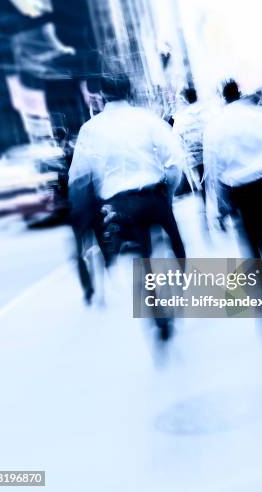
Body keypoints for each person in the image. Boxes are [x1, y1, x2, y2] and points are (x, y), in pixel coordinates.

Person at [68, 73, 186, 341]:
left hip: (119, 204)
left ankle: (157, 314)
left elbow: (78, 175)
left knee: (142, 256)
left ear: (103, 95)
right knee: (177, 245)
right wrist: (168, 190)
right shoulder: (146, 120)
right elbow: (174, 159)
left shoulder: (91, 129)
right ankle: (180, 282)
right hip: (154, 195)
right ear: (130, 90)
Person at [204, 79, 262, 311]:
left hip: (239, 192)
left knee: (249, 244)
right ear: (239, 93)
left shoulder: (215, 125)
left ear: (223, 97)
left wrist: (217, 203)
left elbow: (212, 167)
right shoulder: (260, 116)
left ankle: (259, 297)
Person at [173, 86, 207, 204]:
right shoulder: (207, 111)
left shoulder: (181, 118)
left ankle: (208, 209)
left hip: (194, 159)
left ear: (185, 99)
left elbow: (176, 139)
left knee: (202, 187)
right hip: (210, 153)